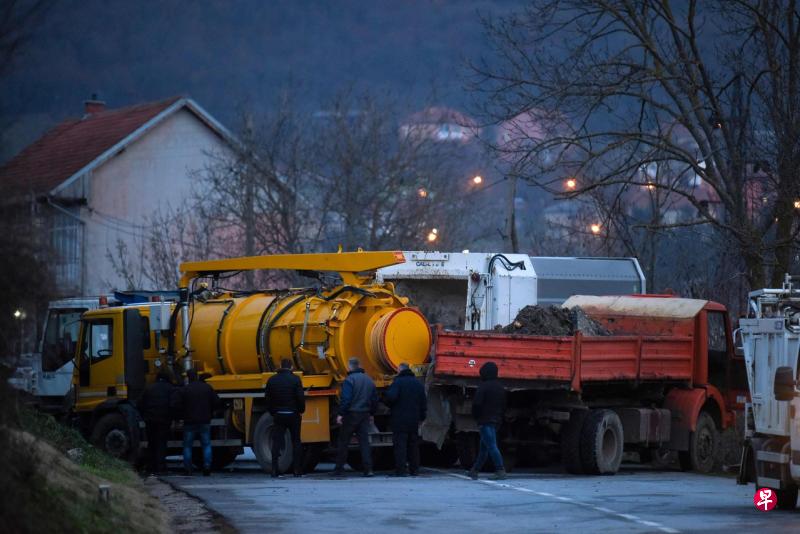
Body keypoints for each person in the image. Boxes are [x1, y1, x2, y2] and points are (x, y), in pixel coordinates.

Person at [333, 357, 378, 477]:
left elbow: (346, 399)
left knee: (343, 442)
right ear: (359, 365)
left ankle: (339, 469)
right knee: (364, 443)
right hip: (364, 414)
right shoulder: (369, 380)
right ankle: (368, 469)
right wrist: (372, 413)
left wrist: (341, 414)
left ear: (349, 366)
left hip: (351, 415)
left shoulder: (349, 380)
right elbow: (374, 399)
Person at [264, 358, 306, 478]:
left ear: (280, 366)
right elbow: (300, 398)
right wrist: (301, 410)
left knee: (277, 441)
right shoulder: (295, 379)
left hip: (279, 415)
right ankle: (297, 470)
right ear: (291, 367)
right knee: (296, 441)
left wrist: (273, 412)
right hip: (293, 414)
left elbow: (268, 399)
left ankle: (274, 470)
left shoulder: (272, 380)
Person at [174, 368, 220, 476]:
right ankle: (207, 467)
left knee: (187, 446)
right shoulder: (207, 388)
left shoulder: (185, 389)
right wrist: (210, 411)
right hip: (204, 421)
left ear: (188, 378)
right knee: (206, 444)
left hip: (189, 422)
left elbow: (177, 404)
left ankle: (188, 469)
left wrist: (181, 415)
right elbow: (217, 402)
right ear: (197, 376)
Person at [384, 363, 426, 477]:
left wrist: (385, 400)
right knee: (413, 445)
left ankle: (401, 470)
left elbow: (391, 397)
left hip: (399, 419)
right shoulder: (418, 384)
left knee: (400, 445)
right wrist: (422, 417)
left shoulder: (398, 383)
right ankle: (415, 469)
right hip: (414, 419)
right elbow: (423, 402)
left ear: (399, 370)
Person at [469, 361, 507, 480]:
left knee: (491, 446)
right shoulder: (501, 388)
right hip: (496, 420)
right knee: (484, 447)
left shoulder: (483, 387)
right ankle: (475, 470)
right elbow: (504, 405)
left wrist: (476, 416)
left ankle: (500, 469)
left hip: (485, 420)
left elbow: (477, 404)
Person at [137, 370, 174, 475]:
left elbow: (139, 403)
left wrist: (144, 414)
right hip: (164, 420)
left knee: (152, 443)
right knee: (161, 443)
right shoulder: (170, 388)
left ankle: (151, 466)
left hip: (150, 420)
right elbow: (174, 403)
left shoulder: (149, 388)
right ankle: (161, 467)